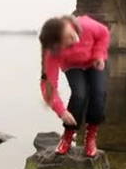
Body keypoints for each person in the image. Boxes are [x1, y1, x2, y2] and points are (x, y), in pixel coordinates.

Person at [39, 15, 110, 157]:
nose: (75, 38)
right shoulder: (52, 52)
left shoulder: (85, 25)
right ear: (58, 46)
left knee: (99, 93)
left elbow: (103, 33)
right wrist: (61, 111)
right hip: (72, 66)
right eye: (69, 40)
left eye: (72, 34)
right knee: (79, 95)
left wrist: (99, 55)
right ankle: (68, 135)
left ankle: (91, 137)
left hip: (94, 61)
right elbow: (48, 84)